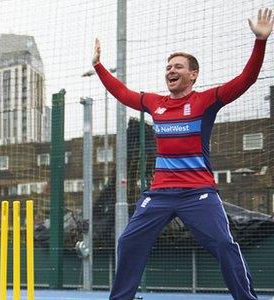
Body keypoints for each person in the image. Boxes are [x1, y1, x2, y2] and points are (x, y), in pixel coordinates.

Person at [92, 8, 272, 300]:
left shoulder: (206, 101)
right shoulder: (156, 103)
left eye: (178, 67)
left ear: (193, 74)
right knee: (128, 241)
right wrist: (99, 66)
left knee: (224, 245)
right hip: (160, 194)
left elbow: (246, 80)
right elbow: (123, 94)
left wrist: (260, 41)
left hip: (198, 194)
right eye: (168, 67)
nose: (171, 71)